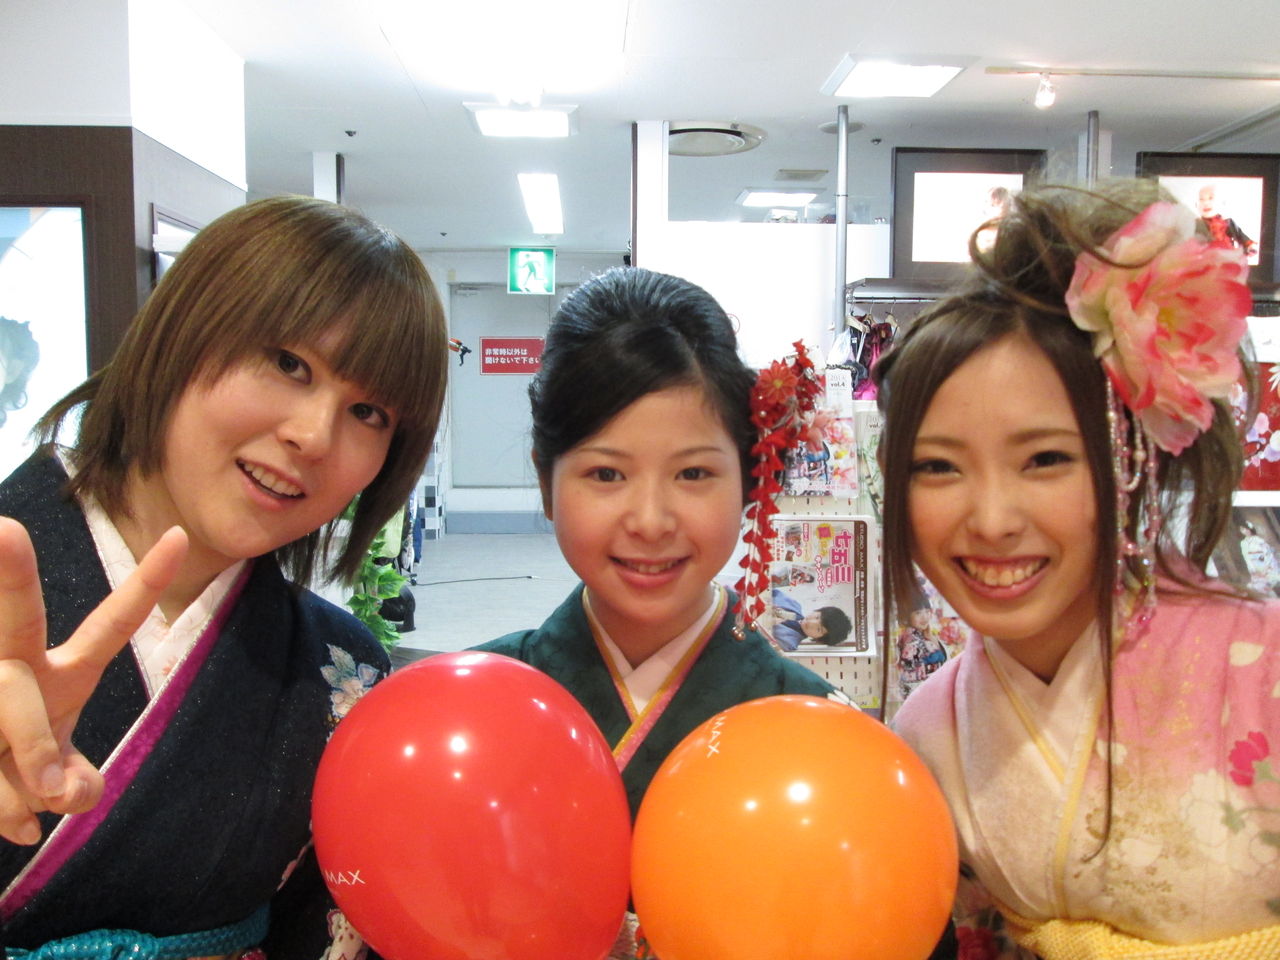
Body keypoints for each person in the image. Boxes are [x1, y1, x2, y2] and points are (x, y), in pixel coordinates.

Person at [0, 195, 448, 960]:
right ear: (182, 329)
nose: (313, 436)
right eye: (289, 364)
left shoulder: (343, 673)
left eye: (369, 412)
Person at [875, 180, 1278, 958]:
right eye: (937, 467)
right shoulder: (930, 731)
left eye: (1045, 459)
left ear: (1130, 458)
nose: (992, 520)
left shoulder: (1266, 669)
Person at [471, 266, 854, 958]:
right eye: (606, 474)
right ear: (546, 482)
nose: (650, 521)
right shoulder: (476, 708)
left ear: (750, 479)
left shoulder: (818, 730)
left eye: (693, 474)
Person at [770, 587, 852, 651]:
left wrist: (769, 623)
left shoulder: (789, 643)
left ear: (818, 640)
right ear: (817, 610)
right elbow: (769, 589)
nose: (811, 623)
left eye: (819, 629)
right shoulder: (794, 605)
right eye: (817, 617)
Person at [1197, 183, 1258, 258]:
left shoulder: (1228, 222)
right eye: (1201, 199)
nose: (1205, 203)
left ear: (1222, 203)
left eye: (1211, 198)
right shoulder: (1196, 224)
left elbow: (1240, 235)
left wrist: (1250, 246)